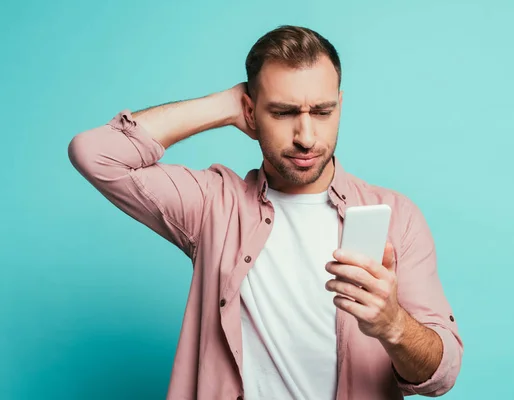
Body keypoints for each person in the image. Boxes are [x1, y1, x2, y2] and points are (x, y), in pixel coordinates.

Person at [68, 25, 463, 400]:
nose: (306, 137)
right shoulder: (214, 206)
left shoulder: (396, 217)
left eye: (322, 112)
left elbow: (442, 373)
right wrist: (223, 106)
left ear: (341, 105)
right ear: (251, 113)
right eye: (283, 112)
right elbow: (96, 154)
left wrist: (393, 325)